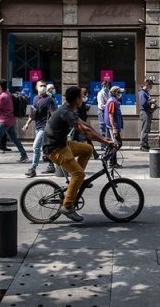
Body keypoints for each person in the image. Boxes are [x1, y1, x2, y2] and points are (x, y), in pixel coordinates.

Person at [43, 86, 116, 222]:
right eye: (81, 97)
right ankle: (68, 206)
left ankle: (77, 183)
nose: (83, 99)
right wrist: (104, 142)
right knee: (79, 174)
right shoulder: (66, 112)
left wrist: (102, 138)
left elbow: (86, 126)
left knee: (87, 149)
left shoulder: (70, 109)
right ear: (77, 99)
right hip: (54, 148)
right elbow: (84, 131)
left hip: (63, 144)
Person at [0, 80, 29, 164]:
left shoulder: (2, 96)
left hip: (3, 121)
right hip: (10, 120)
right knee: (14, 139)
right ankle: (24, 155)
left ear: (0, 87)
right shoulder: (8, 94)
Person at [22, 80, 57, 177]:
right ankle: (52, 165)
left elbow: (53, 114)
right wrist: (27, 124)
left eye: (44, 86)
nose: (43, 87)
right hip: (38, 126)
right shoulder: (35, 98)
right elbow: (33, 113)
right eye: (41, 85)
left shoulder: (49, 99)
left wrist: (55, 127)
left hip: (45, 127)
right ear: (36, 87)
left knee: (35, 147)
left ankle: (33, 168)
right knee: (45, 149)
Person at [104, 85, 124, 167]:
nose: (120, 94)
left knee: (113, 144)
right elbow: (110, 115)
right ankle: (108, 159)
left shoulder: (112, 100)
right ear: (114, 93)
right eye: (119, 92)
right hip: (112, 126)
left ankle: (113, 162)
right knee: (117, 144)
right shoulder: (112, 101)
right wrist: (114, 128)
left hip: (112, 126)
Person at [137, 79, 155, 151]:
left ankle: (146, 144)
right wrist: (151, 101)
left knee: (147, 129)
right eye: (151, 86)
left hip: (148, 112)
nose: (151, 87)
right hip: (144, 112)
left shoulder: (146, 92)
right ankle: (143, 145)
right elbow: (143, 103)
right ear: (147, 84)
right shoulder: (142, 93)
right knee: (145, 129)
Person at [96, 81, 111, 149]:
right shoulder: (100, 94)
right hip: (102, 111)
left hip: (107, 111)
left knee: (108, 127)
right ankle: (103, 145)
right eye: (106, 86)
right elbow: (101, 106)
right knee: (102, 128)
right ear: (103, 86)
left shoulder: (109, 93)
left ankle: (108, 143)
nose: (107, 87)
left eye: (108, 86)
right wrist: (108, 104)